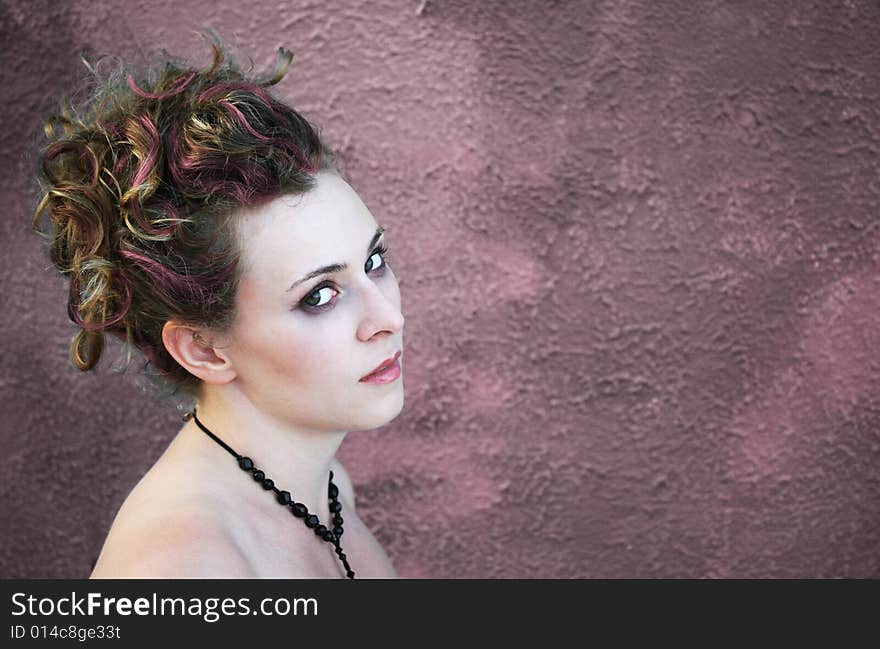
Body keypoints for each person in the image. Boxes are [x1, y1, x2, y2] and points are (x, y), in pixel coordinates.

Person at [31, 30, 404, 578]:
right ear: (203, 350)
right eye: (320, 296)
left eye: (374, 262)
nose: (388, 319)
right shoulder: (184, 571)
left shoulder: (324, 487)